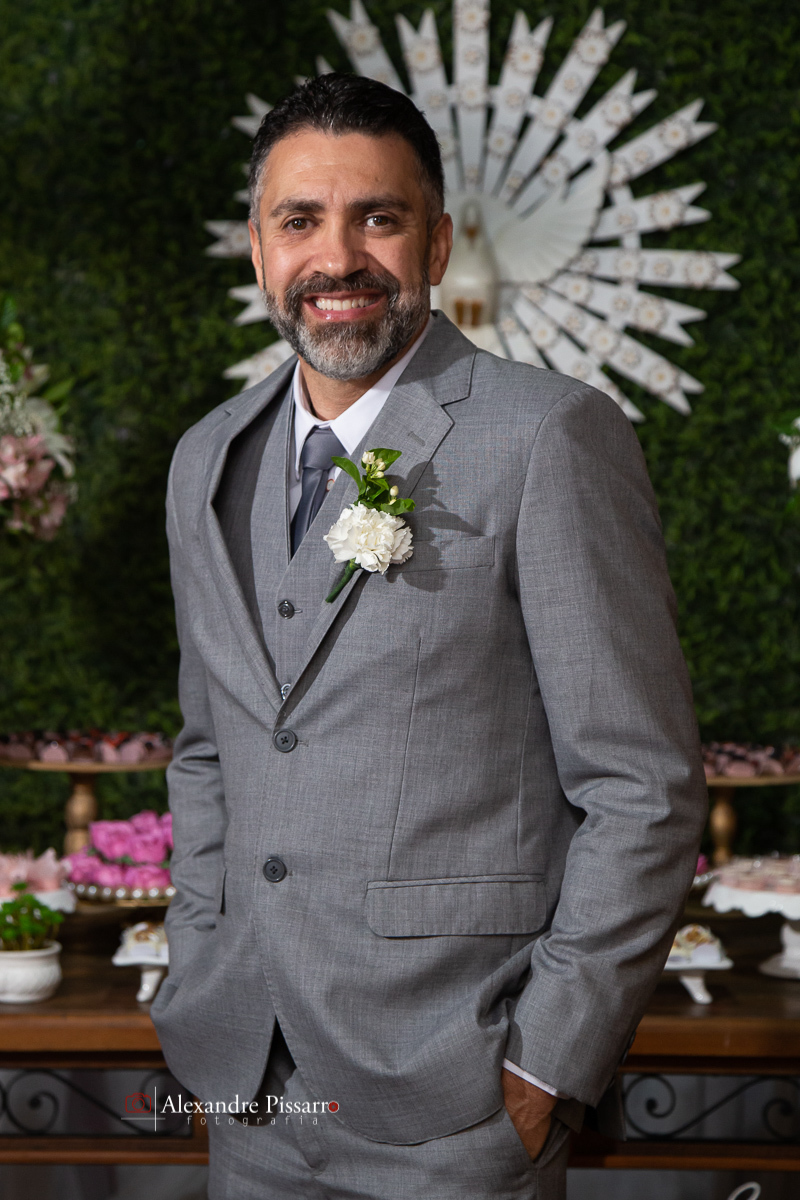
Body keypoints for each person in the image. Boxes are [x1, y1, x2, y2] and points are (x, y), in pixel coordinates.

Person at [151, 72, 707, 1199]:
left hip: (459, 1096)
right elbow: (210, 749)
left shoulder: (549, 436)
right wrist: (201, 950)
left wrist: (546, 1062)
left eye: (378, 218)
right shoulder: (205, 459)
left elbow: (641, 785)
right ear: (257, 251)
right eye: (299, 221)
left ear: (438, 242)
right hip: (250, 1091)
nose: (337, 257)